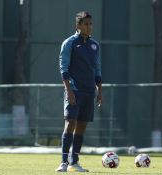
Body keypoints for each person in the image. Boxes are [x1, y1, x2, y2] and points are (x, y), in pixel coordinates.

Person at [55, 11, 102, 172]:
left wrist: (99, 91)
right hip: (74, 90)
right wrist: (69, 90)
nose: (89, 27)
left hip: (89, 91)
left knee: (82, 125)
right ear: (78, 25)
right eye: (86, 24)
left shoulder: (95, 45)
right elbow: (63, 68)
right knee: (70, 123)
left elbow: (97, 69)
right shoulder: (69, 43)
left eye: (91, 24)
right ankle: (63, 162)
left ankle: (75, 162)